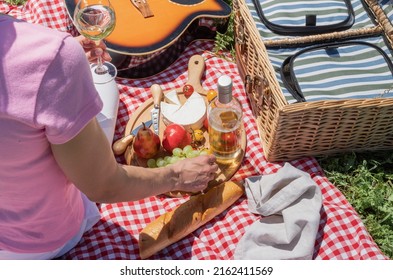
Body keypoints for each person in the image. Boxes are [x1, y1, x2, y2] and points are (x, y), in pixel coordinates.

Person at [0, 14, 218, 259]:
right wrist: (177, 175)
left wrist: (61, 73)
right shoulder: (47, 57)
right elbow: (103, 186)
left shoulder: (46, 56)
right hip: (36, 242)